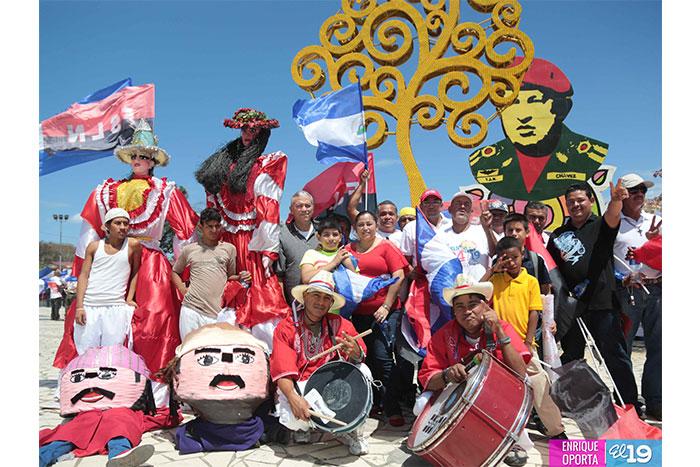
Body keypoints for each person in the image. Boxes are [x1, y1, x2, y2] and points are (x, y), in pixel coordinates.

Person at [53, 120, 199, 415]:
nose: (138, 160)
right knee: (92, 320)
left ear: (154, 161)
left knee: (154, 320)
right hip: (113, 257)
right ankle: (88, 382)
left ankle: (154, 389)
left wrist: (184, 272)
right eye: (134, 155)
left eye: (144, 156)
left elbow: (186, 232)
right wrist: (84, 268)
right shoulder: (108, 190)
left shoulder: (165, 190)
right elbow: (90, 233)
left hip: (150, 264)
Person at [195, 107, 289, 347]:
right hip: (227, 237)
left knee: (259, 288)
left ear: (262, 133)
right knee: (230, 287)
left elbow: (269, 207)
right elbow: (212, 202)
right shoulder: (225, 163)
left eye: (253, 129)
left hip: (255, 240)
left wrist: (269, 249)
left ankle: (265, 350)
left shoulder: (268, 163)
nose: (248, 134)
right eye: (244, 129)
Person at [417, 274, 531, 466]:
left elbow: (520, 372)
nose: (467, 311)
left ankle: (513, 443)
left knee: (528, 386)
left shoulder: (501, 326)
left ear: (485, 306)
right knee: (421, 404)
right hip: (458, 396)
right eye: (459, 306)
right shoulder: (444, 334)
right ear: (453, 311)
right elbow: (427, 378)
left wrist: (500, 333)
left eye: (473, 304)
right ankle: (460, 445)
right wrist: (447, 375)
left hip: (497, 397)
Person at [547, 181, 639, 408]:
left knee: (615, 355)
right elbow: (551, 271)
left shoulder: (600, 224)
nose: (576, 205)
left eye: (580, 200)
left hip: (602, 304)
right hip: (571, 308)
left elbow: (612, 216)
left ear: (590, 201)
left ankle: (629, 403)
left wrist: (617, 200)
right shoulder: (558, 234)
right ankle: (581, 404)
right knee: (573, 358)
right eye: (571, 202)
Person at [469, 57, 608, 201]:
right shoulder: (484, 161)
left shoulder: (587, 155)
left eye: (534, 100)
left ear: (559, 108)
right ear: (499, 111)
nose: (523, 116)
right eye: (513, 103)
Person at [270, 271, 370, 455]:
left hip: (332, 386)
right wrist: (294, 399)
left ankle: (352, 429)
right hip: (302, 386)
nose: (321, 302)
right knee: (291, 418)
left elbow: (359, 355)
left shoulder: (339, 324)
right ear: (305, 297)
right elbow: (282, 370)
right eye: (316, 295)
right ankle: (303, 428)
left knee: (363, 370)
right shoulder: (287, 327)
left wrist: (355, 351)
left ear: (331, 304)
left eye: (326, 298)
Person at [485, 236, 566, 440]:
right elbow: (476, 293)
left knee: (540, 385)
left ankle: (556, 430)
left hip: (524, 344)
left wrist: (529, 342)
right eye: (506, 258)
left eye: (515, 257)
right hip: (500, 346)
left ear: (522, 254)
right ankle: (507, 431)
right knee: (504, 391)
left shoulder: (530, 281)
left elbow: (534, 312)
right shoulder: (495, 281)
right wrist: (492, 270)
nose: (511, 262)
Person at [345, 211, 408, 426]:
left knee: (383, 359)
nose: (365, 228)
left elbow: (398, 276)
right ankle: (375, 402)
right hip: (358, 314)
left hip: (385, 312)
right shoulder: (348, 250)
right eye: (360, 225)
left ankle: (393, 407)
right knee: (367, 359)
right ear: (355, 228)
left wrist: (386, 305)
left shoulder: (386, 246)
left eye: (369, 224)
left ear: (375, 225)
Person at [613, 173, 661, 420]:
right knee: (624, 349)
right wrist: (621, 278)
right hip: (627, 291)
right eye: (633, 190)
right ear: (623, 195)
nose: (639, 193)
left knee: (660, 347)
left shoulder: (658, 220)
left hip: (658, 289)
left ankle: (655, 400)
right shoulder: (612, 223)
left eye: (642, 188)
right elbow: (604, 261)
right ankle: (626, 400)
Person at [171, 208, 251, 340]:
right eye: (209, 226)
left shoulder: (229, 249)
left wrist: (241, 277)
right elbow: (175, 271)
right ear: (200, 226)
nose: (214, 230)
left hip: (217, 314)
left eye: (217, 226)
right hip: (191, 310)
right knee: (188, 353)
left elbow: (230, 276)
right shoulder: (189, 249)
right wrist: (182, 289)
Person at [73, 208, 142, 356]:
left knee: (112, 355)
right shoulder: (94, 246)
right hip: (90, 307)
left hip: (116, 308)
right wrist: (79, 307)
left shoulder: (133, 245)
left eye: (126, 223)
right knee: (86, 354)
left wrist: (130, 298)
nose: (123, 227)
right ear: (107, 226)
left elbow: (136, 272)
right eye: (118, 223)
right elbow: (84, 275)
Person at [276, 191, 319, 303]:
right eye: (299, 206)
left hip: (323, 304)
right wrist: (283, 306)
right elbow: (279, 276)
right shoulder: (282, 234)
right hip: (295, 308)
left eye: (308, 205)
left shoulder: (324, 232)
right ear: (291, 209)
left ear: (313, 208)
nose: (304, 209)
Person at [438, 192, 490, 280]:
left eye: (466, 204)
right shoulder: (440, 235)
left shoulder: (483, 231)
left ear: (471, 211)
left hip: (479, 290)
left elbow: (496, 253)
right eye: (458, 203)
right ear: (450, 210)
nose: (462, 207)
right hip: (452, 290)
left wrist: (488, 229)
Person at [503, 213, 552, 294]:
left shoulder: (536, 259)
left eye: (518, 230)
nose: (514, 234)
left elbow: (545, 290)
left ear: (527, 232)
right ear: (505, 232)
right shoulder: (498, 259)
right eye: (510, 230)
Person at [400, 189, 451, 265]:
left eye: (435, 202)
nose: (431, 206)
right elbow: (406, 258)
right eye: (426, 202)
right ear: (421, 206)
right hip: (422, 276)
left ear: (441, 205)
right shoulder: (410, 228)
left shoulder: (452, 224)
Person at [300, 217, 358, 284]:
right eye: (326, 235)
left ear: (340, 237)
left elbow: (356, 281)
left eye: (335, 234)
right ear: (318, 237)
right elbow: (306, 278)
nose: (331, 238)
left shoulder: (346, 255)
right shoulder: (311, 254)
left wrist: (348, 264)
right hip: (318, 293)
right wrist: (334, 262)